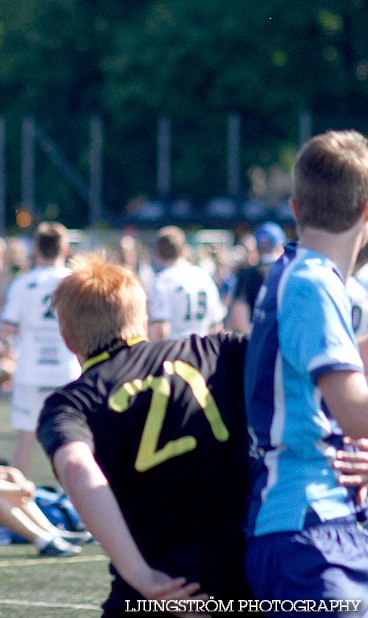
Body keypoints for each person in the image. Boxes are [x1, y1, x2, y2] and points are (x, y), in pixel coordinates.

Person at [36, 253, 251, 617]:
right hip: (247, 579)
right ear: (143, 319)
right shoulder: (215, 350)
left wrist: (142, 577)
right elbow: (312, 361)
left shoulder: (71, 402)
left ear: (67, 338)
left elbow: (75, 465)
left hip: (158, 587)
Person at [244, 129, 368, 611]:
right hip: (312, 529)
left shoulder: (297, 271)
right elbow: (354, 411)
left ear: (295, 209)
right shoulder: (313, 283)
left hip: (309, 530)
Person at [0, 410, 89, 558]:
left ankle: (51, 534)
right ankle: (44, 540)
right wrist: (17, 488)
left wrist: (17, 478)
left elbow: (4, 471)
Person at [0, 222, 80, 475]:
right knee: (73, 441)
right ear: (64, 248)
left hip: (30, 370)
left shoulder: (24, 282)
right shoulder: (75, 282)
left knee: (25, 437)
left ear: (36, 249)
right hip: (66, 371)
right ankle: (75, 502)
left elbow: (6, 328)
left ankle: (17, 501)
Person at [148, 225, 226, 340]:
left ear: (157, 254)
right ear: (184, 249)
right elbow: (216, 326)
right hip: (202, 351)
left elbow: (161, 328)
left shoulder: (163, 281)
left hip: (175, 352)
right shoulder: (203, 276)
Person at [226, 221, 285, 334]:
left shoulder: (246, 274)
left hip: (256, 341)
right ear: (280, 245)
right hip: (284, 343)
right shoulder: (290, 272)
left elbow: (238, 317)